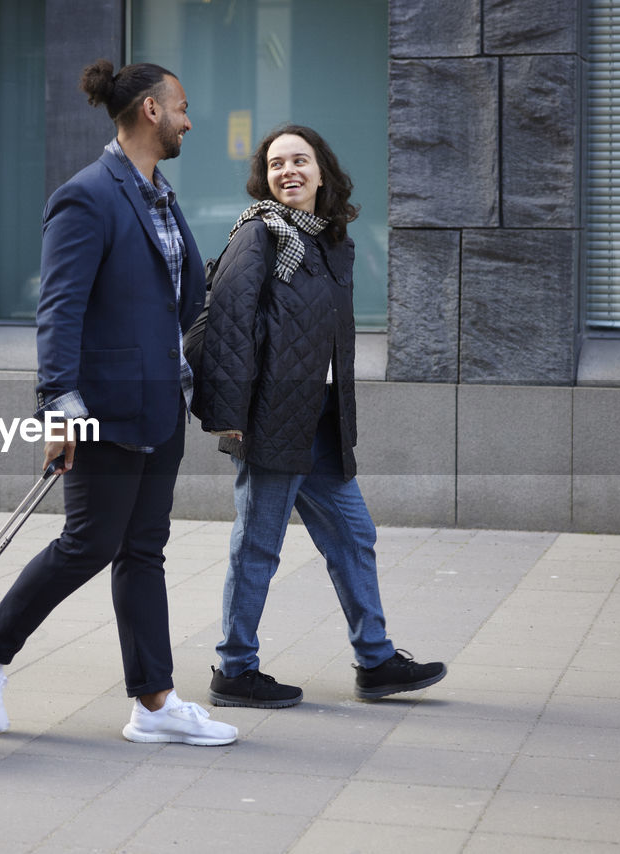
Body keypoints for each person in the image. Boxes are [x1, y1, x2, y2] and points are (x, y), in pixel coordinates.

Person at [0, 60, 237, 746]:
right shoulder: (87, 197)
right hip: (103, 407)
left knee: (142, 550)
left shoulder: (159, 197)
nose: (191, 120)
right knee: (89, 543)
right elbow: (60, 311)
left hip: (158, 406)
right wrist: (60, 409)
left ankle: (155, 703)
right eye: (183, 107)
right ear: (151, 112)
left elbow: (178, 309)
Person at [193, 124, 446, 708]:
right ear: (265, 176)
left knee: (355, 535)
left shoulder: (332, 241)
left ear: (322, 171)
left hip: (322, 418)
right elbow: (229, 320)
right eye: (277, 163)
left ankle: (376, 661)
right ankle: (234, 668)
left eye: (300, 160)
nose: (289, 171)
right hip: (271, 419)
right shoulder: (260, 234)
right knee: (258, 545)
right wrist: (229, 414)